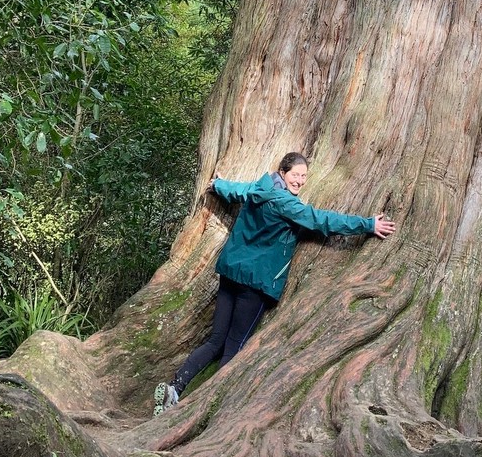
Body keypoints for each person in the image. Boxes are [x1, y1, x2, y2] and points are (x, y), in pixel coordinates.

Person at [153, 152, 396, 415]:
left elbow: (237, 190)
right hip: (255, 283)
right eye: (295, 175)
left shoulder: (260, 187)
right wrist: (368, 224)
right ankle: (200, 411)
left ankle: (175, 388)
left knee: (215, 340)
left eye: (304, 176)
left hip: (231, 272)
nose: (300, 181)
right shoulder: (286, 204)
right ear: (282, 172)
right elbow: (321, 220)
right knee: (233, 348)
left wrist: (218, 185)